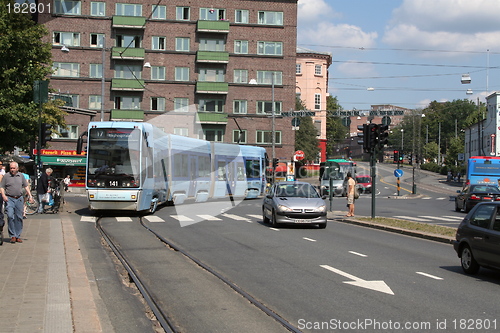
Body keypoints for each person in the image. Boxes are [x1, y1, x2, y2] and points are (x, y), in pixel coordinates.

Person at [0, 162, 34, 243]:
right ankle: (12, 235)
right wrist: (4, 195)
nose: (12, 170)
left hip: (19, 198)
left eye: (14, 168)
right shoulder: (6, 176)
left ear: (17, 169)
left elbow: (26, 186)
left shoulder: (21, 176)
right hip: (9, 198)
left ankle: (17, 235)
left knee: (19, 217)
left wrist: (30, 196)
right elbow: (1, 187)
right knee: (10, 216)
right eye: (11, 168)